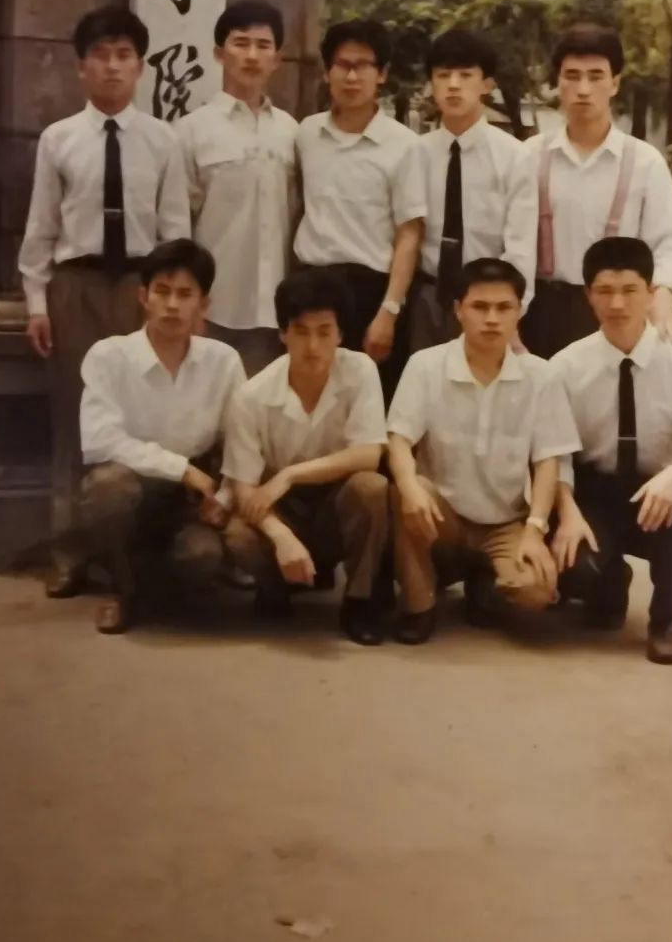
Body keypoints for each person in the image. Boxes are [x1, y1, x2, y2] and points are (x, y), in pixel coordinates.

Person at [18, 6, 192, 598]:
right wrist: (37, 303)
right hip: (78, 287)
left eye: (124, 56)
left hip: (141, 290)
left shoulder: (163, 140)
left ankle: (136, 552)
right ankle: (69, 552)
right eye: (100, 55)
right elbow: (41, 228)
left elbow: (175, 229)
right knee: (74, 418)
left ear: (140, 67)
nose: (112, 67)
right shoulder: (59, 140)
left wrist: (173, 300)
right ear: (81, 67)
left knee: (142, 415)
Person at [547, 236, 672, 666]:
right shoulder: (565, 367)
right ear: (588, 295)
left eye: (630, 290)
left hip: (658, 491)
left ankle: (665, 621)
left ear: (650, 292)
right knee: (578, 568)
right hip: (595, 490)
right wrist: (567, 514)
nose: (617, 303)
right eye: (605, 291)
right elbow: (554, 454)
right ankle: (608, 583)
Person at [387, 258, 580, 645]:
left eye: (504, 307)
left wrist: (535, 529)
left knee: (536, 591)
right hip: (443, 516)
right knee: (406, 490)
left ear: (519, 311)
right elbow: (399, 440)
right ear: (458, 310)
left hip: (504, 522)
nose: (492, 319)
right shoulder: (425, 366)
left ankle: (484, 581)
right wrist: (408, 486)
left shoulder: (541, 376)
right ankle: (419, 604)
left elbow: (548, 461)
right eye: (480, 307)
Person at [78, 240, 246, 634]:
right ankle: (121, 590)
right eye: (162, 292)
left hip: (189, 499)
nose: (172, 305)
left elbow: (241, 444)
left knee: (203, 559)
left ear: (203, 305)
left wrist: (222, 499)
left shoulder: (223, 361)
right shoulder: (109, 356)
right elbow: (100, 440)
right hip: (132, 488)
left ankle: (151, 580)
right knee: (107, 487)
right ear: (144, 297)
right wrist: (181, 469)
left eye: (185, 294)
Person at [222, 267, 391, 646]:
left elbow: (369, 454)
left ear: (341, 334)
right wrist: (281, 535)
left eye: (324, 332)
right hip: (282, 507)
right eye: (300, 331)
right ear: (282, 333)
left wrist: (291, 474)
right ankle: (277, 584)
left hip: (335, 499)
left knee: (372, 488)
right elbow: (244, 488)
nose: (313, 346)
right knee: (238, 534)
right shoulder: (251, 396)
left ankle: (359, 600)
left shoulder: (360, 370)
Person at [520, 21, 672, 361]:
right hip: (540, 314)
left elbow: (669, 243)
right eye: (572, 76)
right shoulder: (529, 156)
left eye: (596, 76)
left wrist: (662, 297)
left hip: (617, 313)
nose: (583, 89)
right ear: (557, 83)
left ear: (614, 83)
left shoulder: (645, 162)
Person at [293, 19, 425, 403]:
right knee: (310, 399)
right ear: (326, 71)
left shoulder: (403, 144)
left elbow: (409, 233)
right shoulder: (306, 134)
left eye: (363, 66)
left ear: (381, 74)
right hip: (311, 285)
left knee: (370, 403)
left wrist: (389, 310)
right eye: (342, 65)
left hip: (370, 291)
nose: (351, 76)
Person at [177, 0, 298, 378]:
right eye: (241, 43)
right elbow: (178, 225)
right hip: (214, 306)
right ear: (219, 53)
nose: (252, 56)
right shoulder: (191, 131)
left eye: (263, 46)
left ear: (277, 59)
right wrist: (188, 300)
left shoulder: (292, 131)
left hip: (275, 309)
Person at [410, 28, 537, 353]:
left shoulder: (514, 157)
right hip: (426, 297)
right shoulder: (415, 154)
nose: (453, 85)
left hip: (486, 301)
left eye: (466, 75)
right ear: (431, 83)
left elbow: (520, 246)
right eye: (443, 75)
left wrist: (512, 314)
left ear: (487, 84)